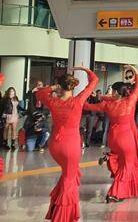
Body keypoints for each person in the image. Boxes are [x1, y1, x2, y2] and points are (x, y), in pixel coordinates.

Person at [36, 66, 98, 221]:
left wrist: (54, 86)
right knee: (69, 179)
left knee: (66, 176)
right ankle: (62, 217)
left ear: (61, 86)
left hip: (55, 145)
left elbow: (39, 93)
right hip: (71, 146)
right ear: (73, 86)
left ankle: (56, 210)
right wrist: (85, 69)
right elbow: (94, 80)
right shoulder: (78, 101)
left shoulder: (53, 101)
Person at [84, 65, 138, 203]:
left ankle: (110, 158)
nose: (111, 92)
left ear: (117, 92)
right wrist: (134, 70)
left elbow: (88, 106)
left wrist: (82, 97)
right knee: (128, 166)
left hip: (113, 139)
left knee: (120, 159)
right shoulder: (130, 101)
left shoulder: (108, 105)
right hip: (126, 139)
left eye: (113, 90)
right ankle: (115, 193)